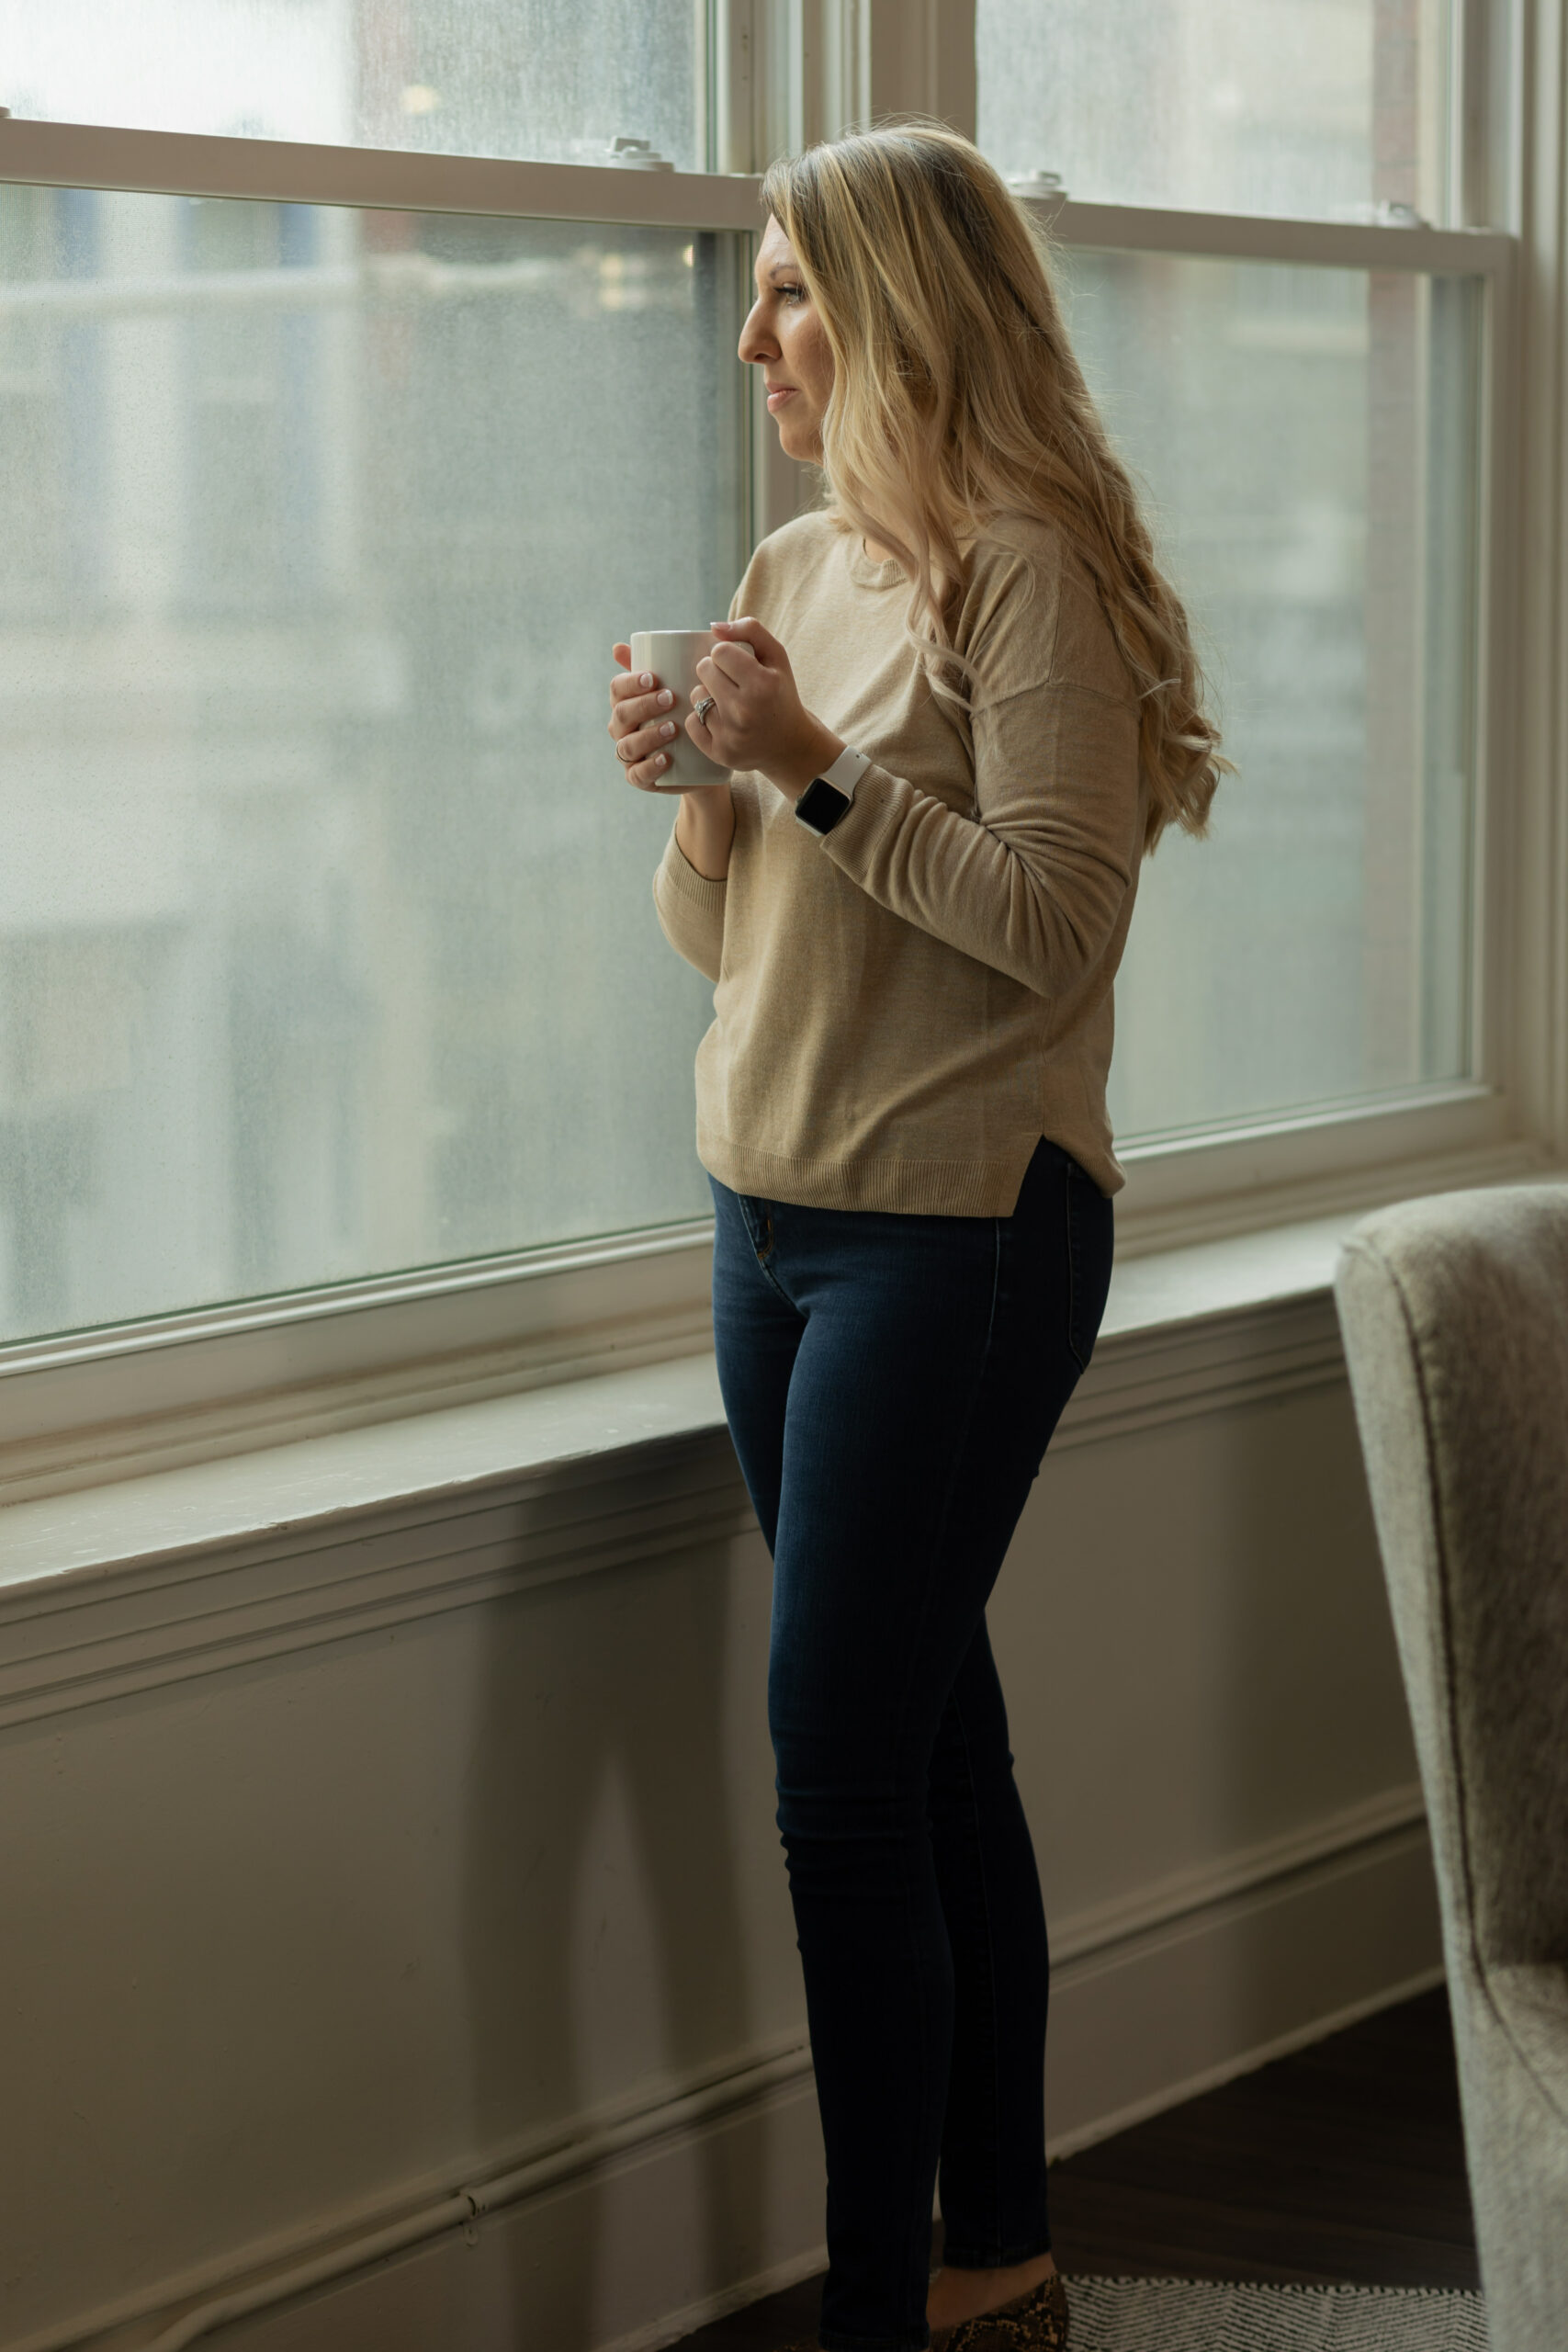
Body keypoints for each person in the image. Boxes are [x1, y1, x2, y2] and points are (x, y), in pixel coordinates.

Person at [607, 122, 1225, 2352]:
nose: (750, 328)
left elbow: (1054, 935)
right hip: (762, 1209)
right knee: (925, 1735)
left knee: (841, 1772)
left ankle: (883, 2297)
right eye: (755, 286)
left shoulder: (1023, 569)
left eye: (787, 288)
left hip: (948, 1234)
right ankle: (1000, 2251)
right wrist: (704, 779)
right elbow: (728, 943)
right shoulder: (792, 557)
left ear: (897, 309)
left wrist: (813, 774)